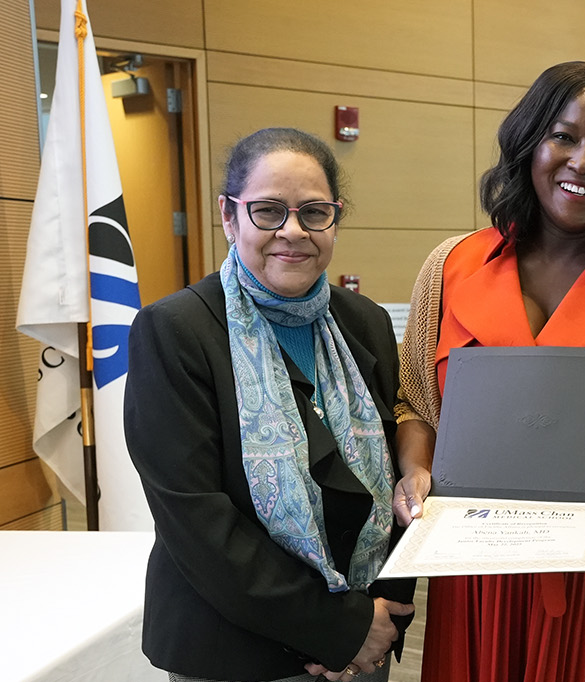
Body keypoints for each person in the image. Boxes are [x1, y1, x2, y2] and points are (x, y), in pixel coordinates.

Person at [391, 61, 585, 682]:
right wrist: (414, 472)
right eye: (563, 136)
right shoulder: (450, 267)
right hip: (475, 575)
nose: (583, 161)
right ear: (529, 144)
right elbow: (415, 406)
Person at [125, 128, 415, 682]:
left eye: (314, 212)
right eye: (268, 211)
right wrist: (336, 630)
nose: (293, 231)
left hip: (365, 635)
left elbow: (394, 484)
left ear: (335, 218)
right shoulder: (174, 330)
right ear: (229, 216)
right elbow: (196, 520)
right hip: (236, 650)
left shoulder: (366, 322)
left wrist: (382, 615)